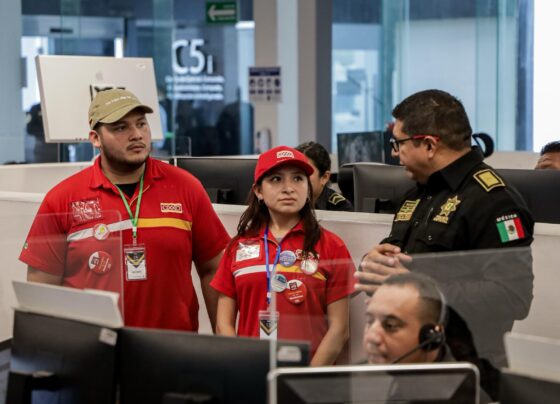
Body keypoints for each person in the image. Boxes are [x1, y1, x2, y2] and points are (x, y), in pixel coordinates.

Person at [355, 89, 534, 398]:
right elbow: (402, 262)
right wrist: (373, 261)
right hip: (411, 364)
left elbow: (513, 297)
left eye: (398, 143)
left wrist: (421, 288)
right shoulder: (418, 194)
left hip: (466, 373)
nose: (394, 153)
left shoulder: (494, 201)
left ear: (428, 144)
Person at [19, 88, 230, 332]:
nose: (137, 135)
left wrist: (222, 338)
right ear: (95, 138)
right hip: (94, 348)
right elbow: (42, 288)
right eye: (121, 128)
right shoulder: (62, 199)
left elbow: (214, 269)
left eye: (141, 124)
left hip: (171, 346)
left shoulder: (186, 187)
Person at [211, 146, 355, 366]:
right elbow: (223, 324)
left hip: (307, 377)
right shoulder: (238, 246)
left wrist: (304, 379)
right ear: (258, 191)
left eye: (298, 178)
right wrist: (241, 370)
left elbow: (339, 330)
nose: (289, 188)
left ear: (308, 189)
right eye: (276, 179)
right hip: (250, 374)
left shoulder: (332, 246)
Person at [363, 272, 450, 364]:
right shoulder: (356, 371)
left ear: (430, 337)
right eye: (370, 321)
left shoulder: (457, 373)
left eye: (390, 325)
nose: (371, 337)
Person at [295, 141, 353, 211]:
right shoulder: (289, 201)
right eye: (296, 175)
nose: (300, 178)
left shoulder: (340, 207)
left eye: (307, 171)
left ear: (324, 177)